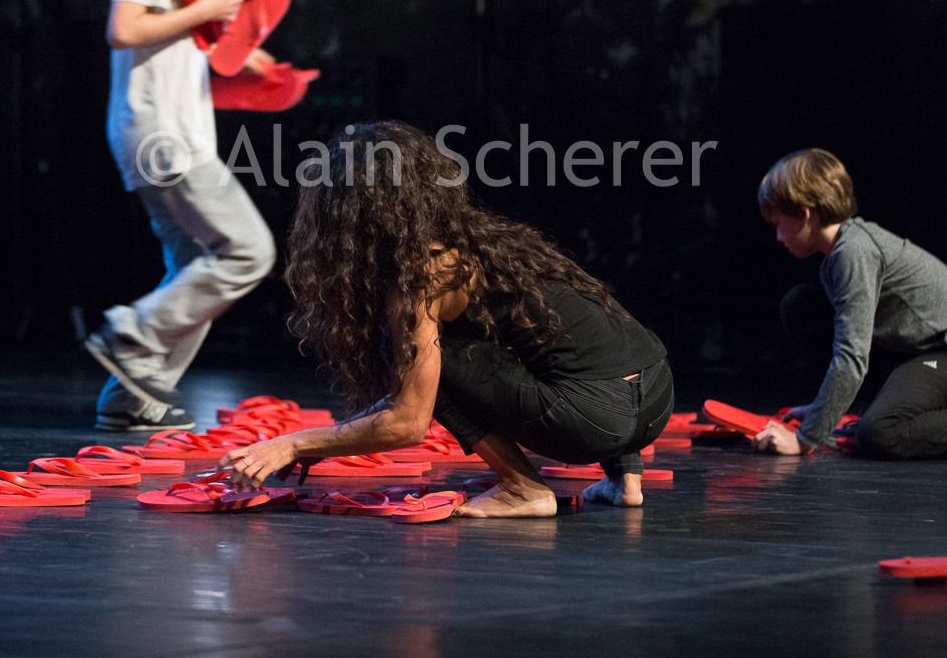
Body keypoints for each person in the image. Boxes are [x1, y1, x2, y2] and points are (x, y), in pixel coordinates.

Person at [220, 122, 674, 516]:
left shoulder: (418, 276)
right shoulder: (486, 242)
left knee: (429, 364)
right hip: (657, 397)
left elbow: (407, 420)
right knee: (565, 339)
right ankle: (624, 479)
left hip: (594, 420)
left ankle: (523, 488)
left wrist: (294, 443)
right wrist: (332, 437)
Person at [83, 0, 278, 431]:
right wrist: (206, 10)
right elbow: (123, 29)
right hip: (163, 137)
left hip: (163, 133)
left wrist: (243, 57)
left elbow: (173, 41)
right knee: (249, 250)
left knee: (195, 261)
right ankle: (131, 332)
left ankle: (132, 398)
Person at [752, 148, 947, 459]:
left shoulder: (854, 251)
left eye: (778, 223)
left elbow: (852, 354)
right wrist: (820, 410)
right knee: (801, 306)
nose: (778, 237)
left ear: (805, 213)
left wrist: (805, 437)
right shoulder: (838, 254)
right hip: (913, 352)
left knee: (880, 433)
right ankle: (880, 405)